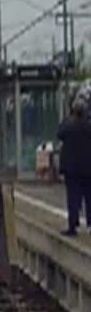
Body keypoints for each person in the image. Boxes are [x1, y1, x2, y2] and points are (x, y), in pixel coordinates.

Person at [58, 96, 91, 236]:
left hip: (71, 169)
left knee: (73, 197)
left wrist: (68, 117)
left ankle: (73, 226)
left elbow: (59, 134)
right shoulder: (89, 126)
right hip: (88, 168)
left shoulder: (68, 125)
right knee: (89, 197)